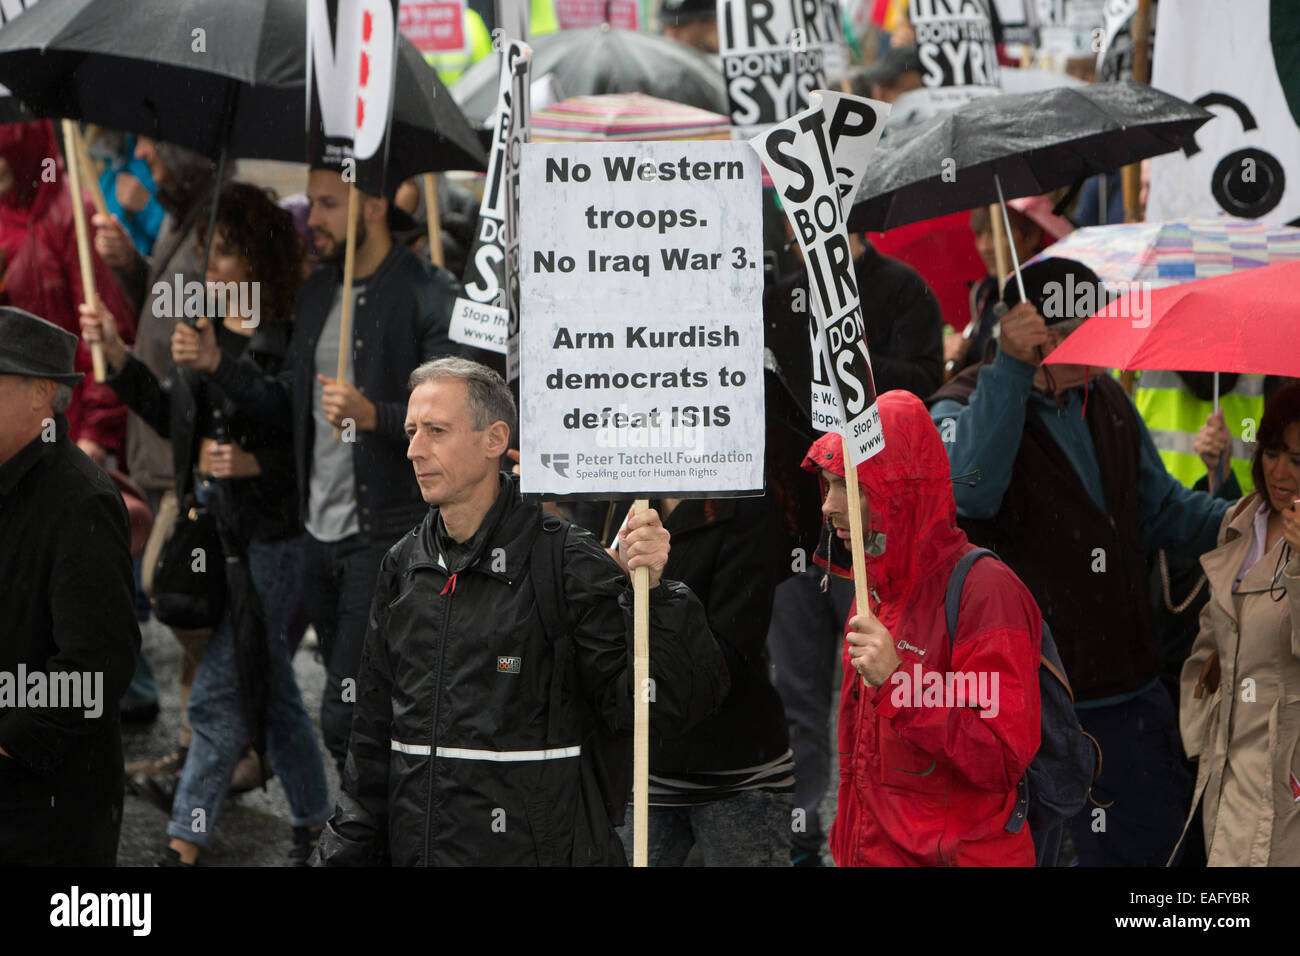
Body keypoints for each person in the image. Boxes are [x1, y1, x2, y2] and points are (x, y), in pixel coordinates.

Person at [314, 358, 729, 865]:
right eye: (411, 431)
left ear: (494, 440)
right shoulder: (404, 565)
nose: (414, 449)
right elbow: (372, 742)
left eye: (436, 431)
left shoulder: (568, 563)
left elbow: (656, 707)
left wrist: (659, 596)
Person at [929, 257, 1233, 867]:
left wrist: (1247, 514)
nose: (1097, 340)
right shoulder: (962, 401)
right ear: (1035, 331)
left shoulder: (1108, 400)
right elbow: (971, 489)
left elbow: (1163, 512)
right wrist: (1012, 368)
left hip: (1129, 694)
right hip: (1027, 708)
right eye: (1079, 326)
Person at [172, 166, 464, 773]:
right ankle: (373, 829)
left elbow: (456, 422)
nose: (314, 219)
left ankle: (369, 839)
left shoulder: (428, 292)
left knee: (345, 714)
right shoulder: (315, 292)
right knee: (365, 711)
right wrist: (217, 365)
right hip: (317, 534)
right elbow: (287, 404)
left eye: (330, 205)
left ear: (377, 205)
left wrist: (376, 415)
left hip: (385, 537)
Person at [82, 181, 331, 866]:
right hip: (216, 536)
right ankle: (316, 819)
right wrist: (120, 361)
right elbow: (176, 421)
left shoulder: (287, 334)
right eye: (205, 253)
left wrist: (254, 456)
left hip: (275, 540)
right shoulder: (206, 330)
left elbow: (296, 423)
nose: (209, 268)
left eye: (222, 254)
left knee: (218, 693)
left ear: (259, 259)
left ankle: (183, 842)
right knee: (272, 685)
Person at [805, 390, 1043, 866]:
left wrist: (900, 685)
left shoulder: (986, 592)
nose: (829, 507)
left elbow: (1000, 758)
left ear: (897, 492)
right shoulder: (871, 589)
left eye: (848, 487)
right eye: (827, 486)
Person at [93, 136, 229, 789]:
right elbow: (164, 303)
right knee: (182, 600)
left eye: (153, 149)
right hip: (158, 431)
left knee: (179, 593)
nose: (140, 157)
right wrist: (128, 266)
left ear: (190, 154)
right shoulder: (181, 216)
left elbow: (235, 323)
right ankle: (196, 745)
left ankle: (217, 741)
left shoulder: (217, 225)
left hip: (190, 450)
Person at [0, 307, 140, 865]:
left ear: (40, 397)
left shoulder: (81, 500)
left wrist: (9, 738)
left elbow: (97, 663)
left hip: (46, 807)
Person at [616, 495, 795, 867]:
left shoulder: (748, 507)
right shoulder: (624, 489)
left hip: (736, 771)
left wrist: (657, 590)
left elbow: (725, 656)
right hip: (639, 766)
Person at [1175, 384, 1300, 866]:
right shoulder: (1239, 521)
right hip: (1225, 773)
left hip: (1285, 785)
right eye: (1270, 453)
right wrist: (1203, 728)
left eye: (1296, 459)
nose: (1280, 471)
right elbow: (1209, 641)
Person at [0, 120, 138, 467]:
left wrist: (97, 432)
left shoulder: (74, 212)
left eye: (5, 153)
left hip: (67, 422)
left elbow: (105, 333)